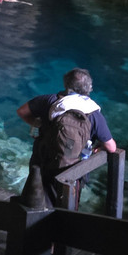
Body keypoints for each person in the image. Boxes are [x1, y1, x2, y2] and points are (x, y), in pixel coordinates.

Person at [16, 67, 117, 205]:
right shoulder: (94, 114)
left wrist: (37, 124)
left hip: (43, 160)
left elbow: (22, 111)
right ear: (89, 88)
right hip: (73, 169)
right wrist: (99, 147)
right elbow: (111, 147)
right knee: (67, 205)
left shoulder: (48, 101)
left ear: (66, 84)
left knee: (35, 200)